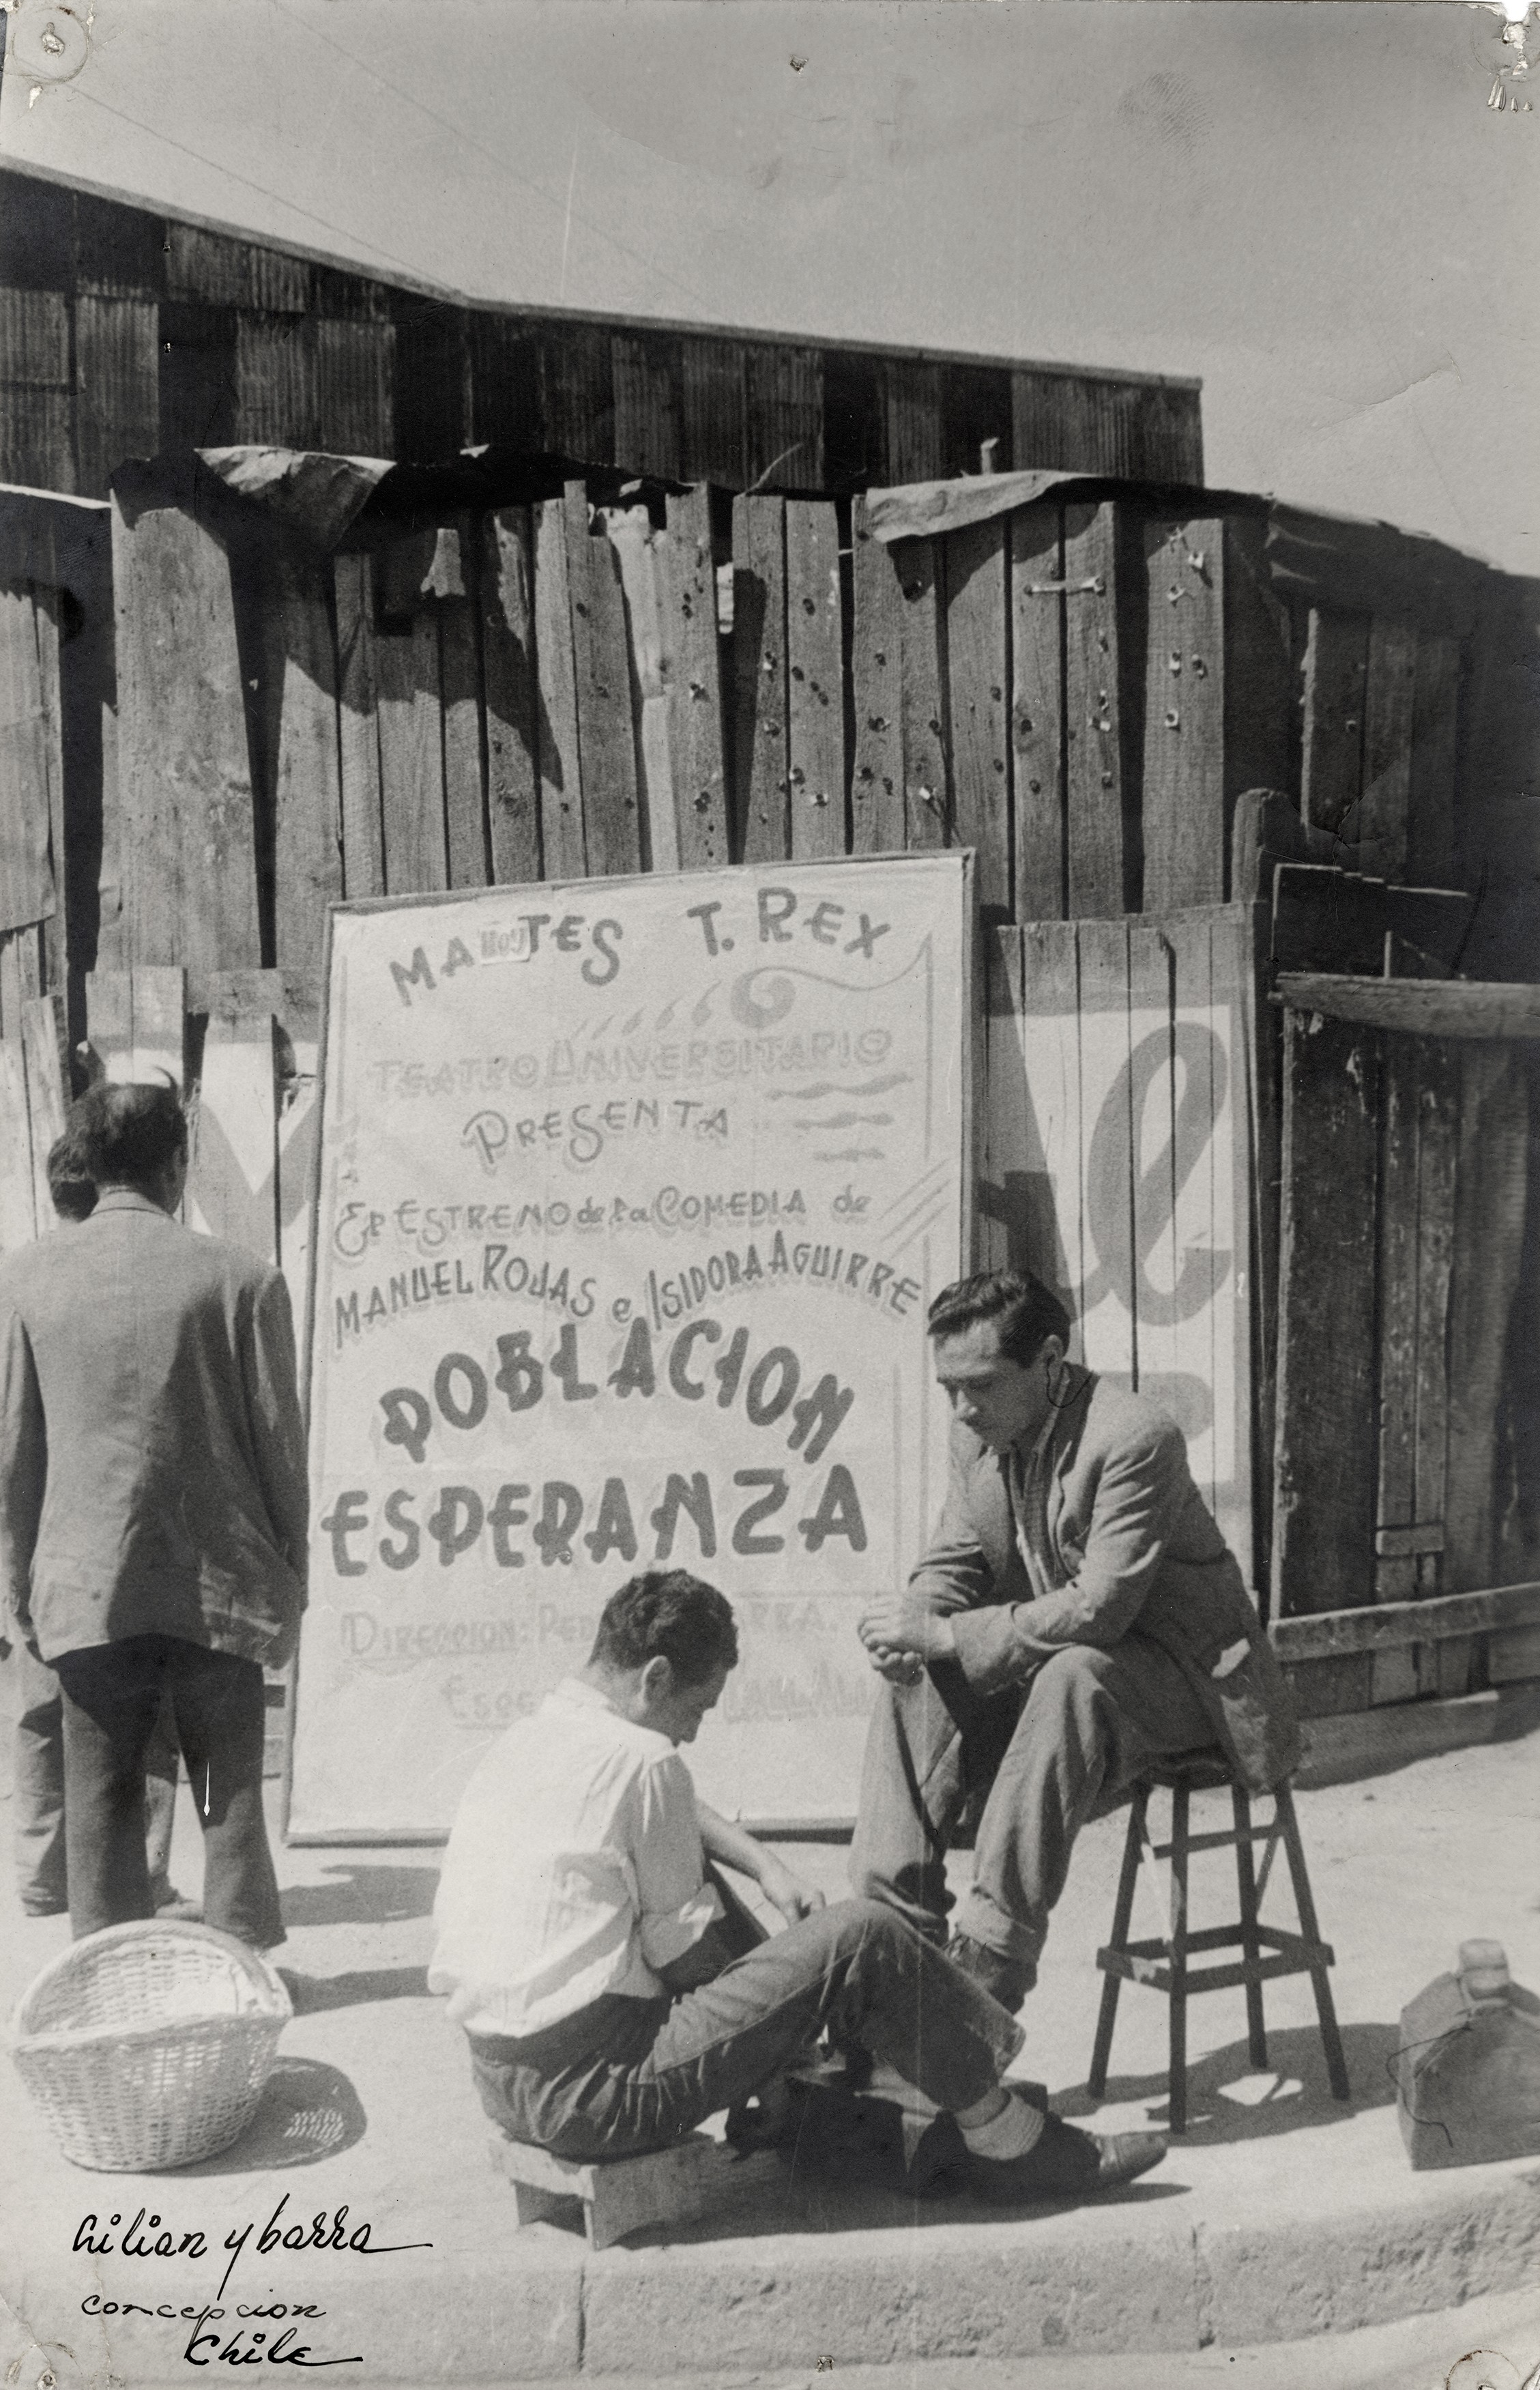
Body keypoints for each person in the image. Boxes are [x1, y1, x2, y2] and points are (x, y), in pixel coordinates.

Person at [429, 1567, 1167, 2205]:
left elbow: (663, 1811)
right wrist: (788, 2017)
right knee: (862, 1933)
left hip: (506, 2085)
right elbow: (688, 1957)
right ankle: (1006, 2138)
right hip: (600, 2096)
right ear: (654, 1677)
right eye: (695, 1709)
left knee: (706, 1894)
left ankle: (829, 2076)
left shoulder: (536, 1735)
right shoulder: (646, 1762)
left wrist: (763, 1865)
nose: (691, 1733)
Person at [850, 1270, 1300, 2013]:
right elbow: (956, 1559)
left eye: (980, 1385)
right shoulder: (978, 1436)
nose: (962, 1409)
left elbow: (1100, 1608)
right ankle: (890, 1941)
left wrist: (948, 1632)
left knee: (1073, 1675)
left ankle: (988, 1964)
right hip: (1076, 1674)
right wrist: (913, 1623)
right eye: (948, 1389)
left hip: (1193, 1685)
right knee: (918, 1679)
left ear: (1050, 1361)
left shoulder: (1134, 1436)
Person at [0, 1082, 308, 1946]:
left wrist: (18, 1580)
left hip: (88, 1584)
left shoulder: (25, 1279)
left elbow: (14, 1450)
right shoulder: (244, 1280)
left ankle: (112, 1972)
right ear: (179, 1164)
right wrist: (293, 1576)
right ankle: (242, 1967)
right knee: (225, 1786)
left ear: (92, 1165)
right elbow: (281, 1452)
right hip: (219, 1585)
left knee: (102, 1789)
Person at [6, 1123, 197, 1920]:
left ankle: (43, 1869)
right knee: (139, 1715)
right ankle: (140, 1872)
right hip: (99, 1536)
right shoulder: (115, 1286)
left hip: (28, 1528)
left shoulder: (23, 1279)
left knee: (38, 1704)